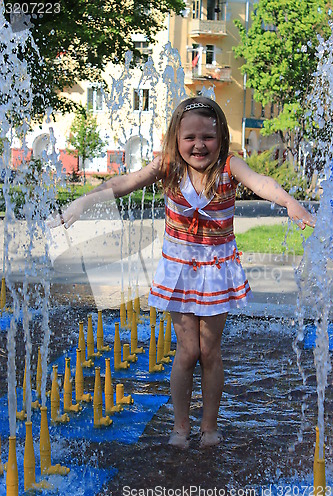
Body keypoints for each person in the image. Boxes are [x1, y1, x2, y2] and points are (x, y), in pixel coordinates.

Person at [51, 96, 315, 449]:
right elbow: (123, 183)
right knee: (187, 351)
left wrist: (289, 202)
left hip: (217, 269)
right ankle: (180, 426)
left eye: (207, 136)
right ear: (176, 137)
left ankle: (208, 427)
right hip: (179, 269)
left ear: (220, 137)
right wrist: (84, 201)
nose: (199, 144)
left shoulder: (228, 167)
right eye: (190, 137)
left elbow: (261, 181)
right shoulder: (167, 167)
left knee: (210, 351)